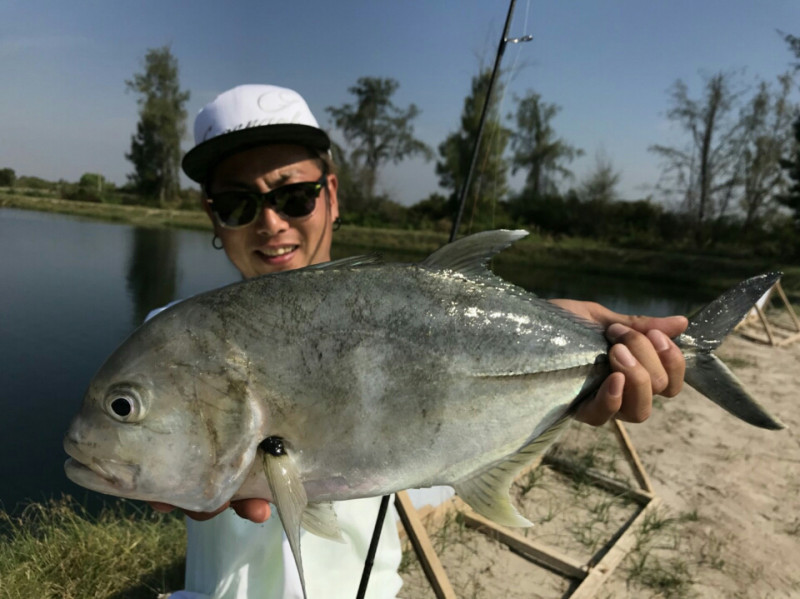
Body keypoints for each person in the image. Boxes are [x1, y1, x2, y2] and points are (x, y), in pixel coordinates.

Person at [153, 84, 688, 598]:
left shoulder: (417, 317)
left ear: (331, 196)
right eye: (237, 204)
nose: (270, 223)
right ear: (212, 217)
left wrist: (569, 363)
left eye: (294, 197)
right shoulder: (169, 346)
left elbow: (440, 453)